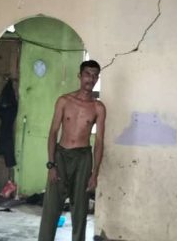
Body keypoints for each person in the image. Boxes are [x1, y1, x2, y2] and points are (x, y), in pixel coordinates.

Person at [38, 60, 106, 241]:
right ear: (79, 76)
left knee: (80, 210)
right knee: (51, 208)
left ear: (97, 78)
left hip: (83, 158)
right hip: (61, 156)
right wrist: (51, 164)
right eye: (87, 74)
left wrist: (95, 174)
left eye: (95, 75)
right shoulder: (64, 101)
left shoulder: (98, 107)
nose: (90, 79)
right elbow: (53, 132)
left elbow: (99, 142)